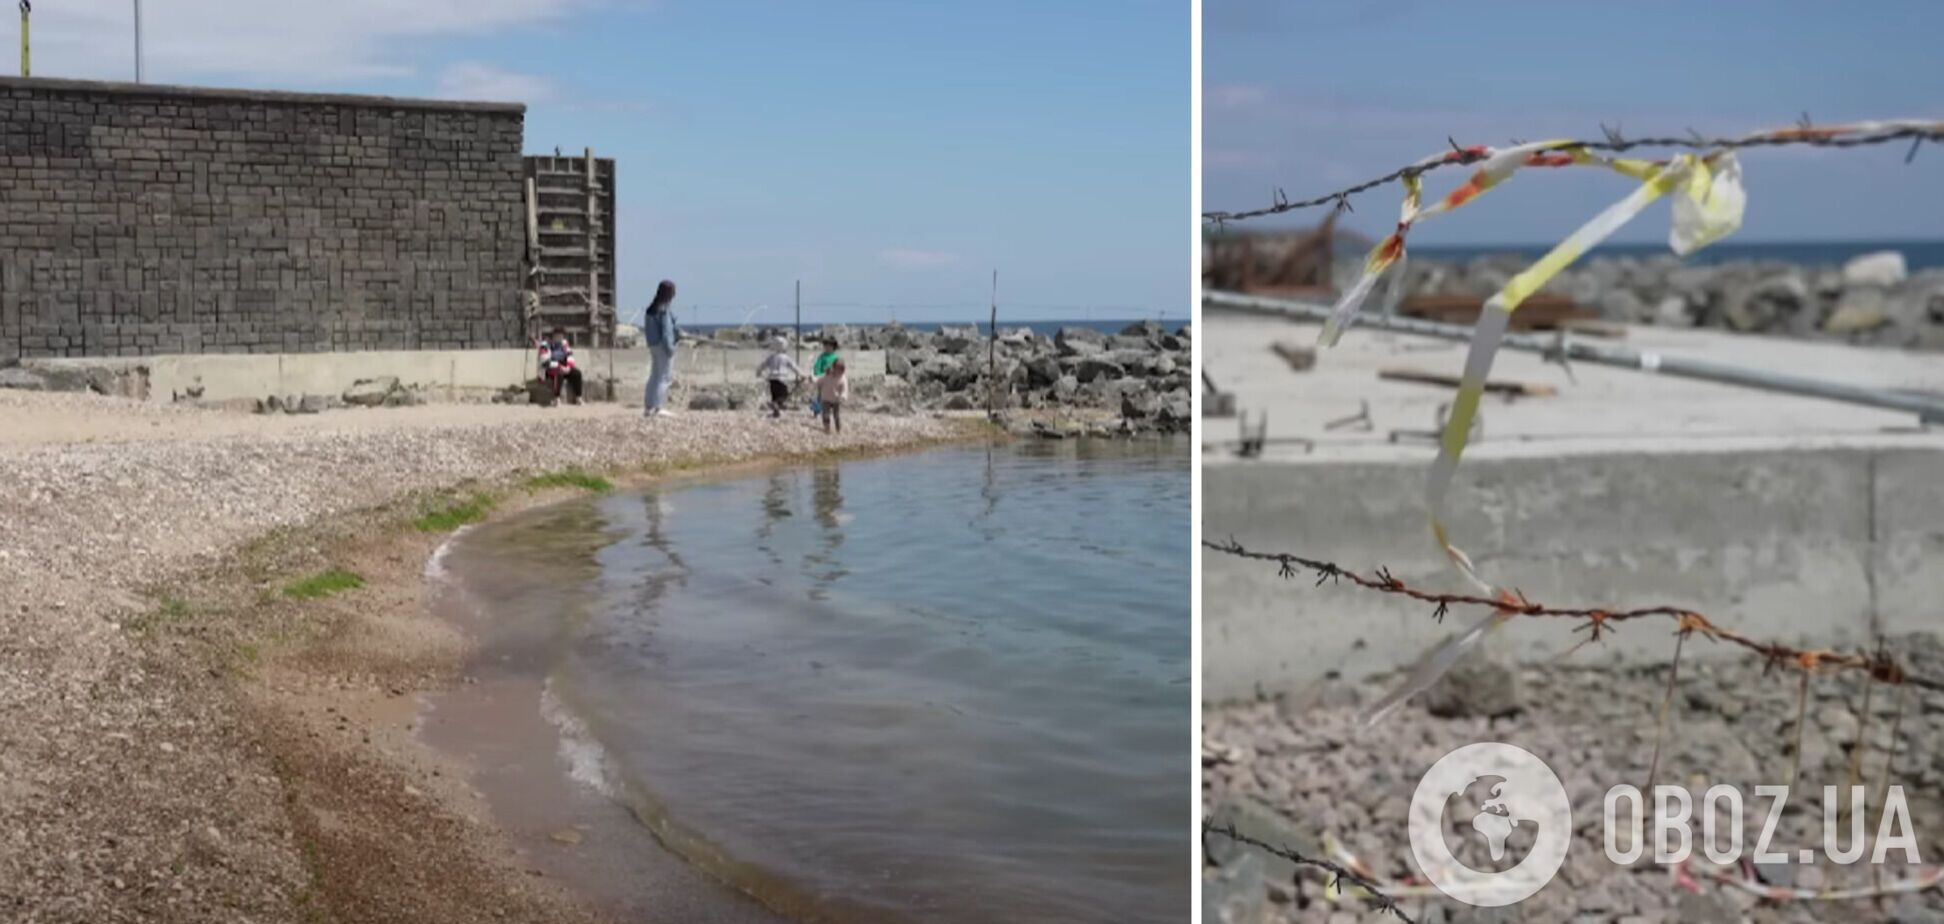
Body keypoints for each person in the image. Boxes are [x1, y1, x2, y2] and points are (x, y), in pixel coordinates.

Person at [642, 280, 680, 418]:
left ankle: (648, 406)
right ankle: (658, 407)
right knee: (665, 377)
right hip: (663, 345)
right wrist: (670, 348)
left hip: (653, 345)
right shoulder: (664, 309)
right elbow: (666, 332)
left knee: (654, 375)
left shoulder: (651, 309)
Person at [756, 338, 807, 418]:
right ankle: (775, 405)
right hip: (782, 378)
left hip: (772, 379)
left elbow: (762, 365)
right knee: (784, 395)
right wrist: (801, 374)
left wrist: (758, 373)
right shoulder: (786, 357)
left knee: (775, 394)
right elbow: (794, 367)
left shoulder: (771, 357)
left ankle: (776, 410)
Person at [537, 328, 583, 406]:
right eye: (557, 336)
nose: (559, 338)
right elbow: (544, 362)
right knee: (559, 374)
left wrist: (568, 367)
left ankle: (578, 397)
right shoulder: (545, 345)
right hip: (549, 368)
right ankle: (556, 398)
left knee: (577, 373)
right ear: (553, 336)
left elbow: (570, 356)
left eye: (561, 336)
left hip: (564, 367)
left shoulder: (564, 344)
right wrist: (559, 366)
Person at [809, 337, 841, 416]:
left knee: (832, 394)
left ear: (833, 347)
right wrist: (816, 374)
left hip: (832, 379)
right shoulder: (822, 356)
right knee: (821, 394)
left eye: (829, 346)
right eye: (825, 346)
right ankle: (817, 410)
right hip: (822, 378)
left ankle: (830, 408)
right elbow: (817, 366)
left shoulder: (835, 357)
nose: (826, 348)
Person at [816, 359, 848, 434]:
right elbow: (819, 381)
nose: (838, 372)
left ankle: (838, 429)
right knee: (825, 414)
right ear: (833, 368)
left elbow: (845, 389)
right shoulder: (827, 376)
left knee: (836, 416)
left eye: (841, 370)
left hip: (836, 399)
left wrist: (843, 396)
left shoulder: (843, 378)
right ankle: (827, 428)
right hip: (826, 398)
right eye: (837, 369)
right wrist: (818, 390)